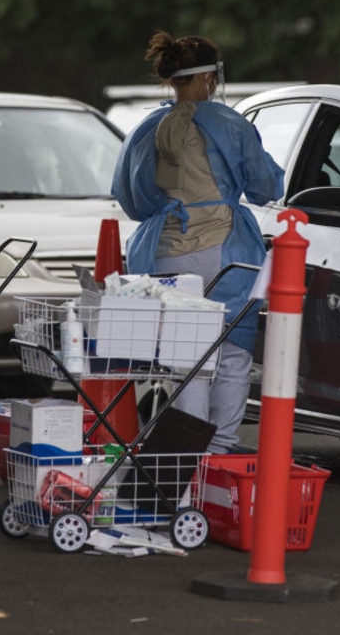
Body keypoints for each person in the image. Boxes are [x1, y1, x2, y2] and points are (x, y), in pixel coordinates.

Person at [111, 30, 285, 454]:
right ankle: (219, 450)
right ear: (210, 76)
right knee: (231, 354)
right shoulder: (230, 123)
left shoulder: (145, 129)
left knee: (185, 359)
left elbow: (132, 201)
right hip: (224, 250)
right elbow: (265, 187)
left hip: (162, 254)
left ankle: (186, 456)